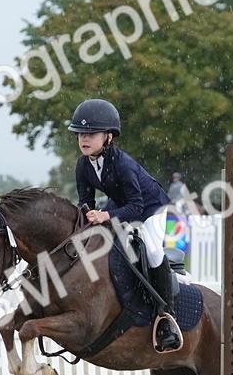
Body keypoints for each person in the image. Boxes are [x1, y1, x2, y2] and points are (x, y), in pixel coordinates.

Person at [69, 98, 181, 353]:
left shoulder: (123, 164)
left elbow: (137, 207)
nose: (84, 139)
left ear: (108, 137)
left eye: (91, 134)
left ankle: (166, 316)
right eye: (80, 134)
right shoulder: (83, 165)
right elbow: (85, 202)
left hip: (150, 208)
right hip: (120, 205)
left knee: (152, 251)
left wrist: (105, 217)